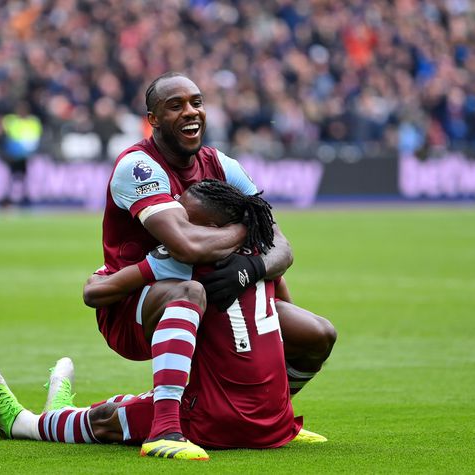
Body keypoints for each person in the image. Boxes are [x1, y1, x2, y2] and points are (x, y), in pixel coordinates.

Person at [0, 180, 325, 460]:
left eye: (186, 217)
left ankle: (25, 424)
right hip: (274, 422)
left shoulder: (184, 258)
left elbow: (95, 293)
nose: (177, 223)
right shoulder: (262, 256)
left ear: (213, 227)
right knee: (317, 331)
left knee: (109, 419)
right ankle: (60, 406)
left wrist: (126, 271)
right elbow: (283, 321)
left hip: (217, 420)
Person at [95, 72, 336, 457]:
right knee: (186, 290)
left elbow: (282, 247)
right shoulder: (139, 166)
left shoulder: (222, 165)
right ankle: (165, 428)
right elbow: (186, 244)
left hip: (212, 294)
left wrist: (252, 269)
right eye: (175, 106)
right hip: (137, 302)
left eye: (196, 102)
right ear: (153, 119)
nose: (191, 112)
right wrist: (248, 231)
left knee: (317, 335)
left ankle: (277, 413)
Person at [0, 101, 42, 206]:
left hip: (25, 156)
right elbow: (2, 129)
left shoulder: (33, 122)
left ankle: (24, 197)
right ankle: (9, 197)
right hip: (13, 155)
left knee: (24, 177)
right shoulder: (11, 120)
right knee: (11, 177)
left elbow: (35, 139)